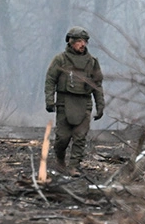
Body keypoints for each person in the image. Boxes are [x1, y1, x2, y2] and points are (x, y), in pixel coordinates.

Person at [44, 26, 105, 171]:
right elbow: (50, 79)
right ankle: (59, 158)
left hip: (84, 103)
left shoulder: (92, 62)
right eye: (78, 41)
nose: (82, 44)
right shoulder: (60, 60)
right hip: (64, 102)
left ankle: (74, 166)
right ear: (71, 42)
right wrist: (49, 100)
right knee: (62, 138)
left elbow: (97, 85)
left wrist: (100, 106)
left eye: (84, 41)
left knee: (80, 137)